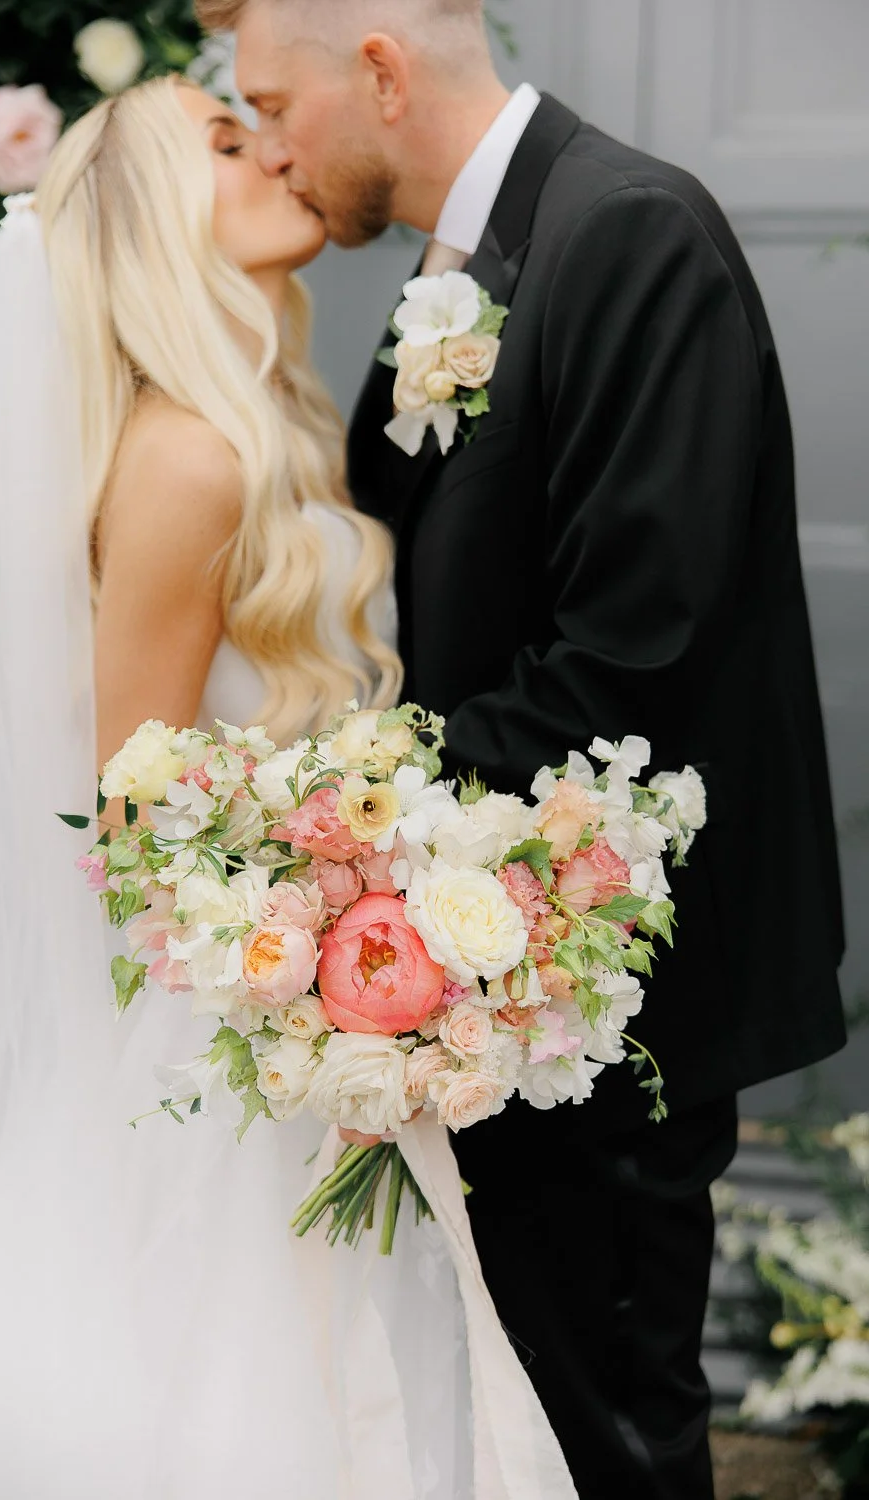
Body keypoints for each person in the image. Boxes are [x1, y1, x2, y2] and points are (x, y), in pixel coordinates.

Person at [0, 76, 578, 1500]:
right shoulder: (188, 456)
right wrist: (346, 959)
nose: (272, 147)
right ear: (145, 217)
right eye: (222, 138)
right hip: (230, 1041)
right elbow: (132, 813)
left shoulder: (258, 417)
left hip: (281, 1013)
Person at [203, 0, 850, 1495]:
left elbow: (626, 665)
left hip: (611, 997)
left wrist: (318, 805)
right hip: (483, 974)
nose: (276, 149)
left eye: (275, 104)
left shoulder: (630, 234)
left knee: (606, 1423)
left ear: (377, 69)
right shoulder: (468, 256)